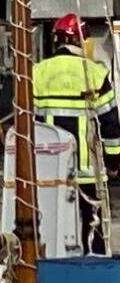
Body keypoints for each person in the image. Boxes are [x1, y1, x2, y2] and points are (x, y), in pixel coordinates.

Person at [33, 13, 120, 254]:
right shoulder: (95, 74)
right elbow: (110, 124)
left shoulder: (37, 73)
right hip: (88, 170)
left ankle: (50, 262)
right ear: (81, 41)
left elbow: (29, 121)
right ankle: (95, 264)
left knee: (50, 221)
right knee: (93, 224)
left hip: (49, 168)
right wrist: (114, 160)